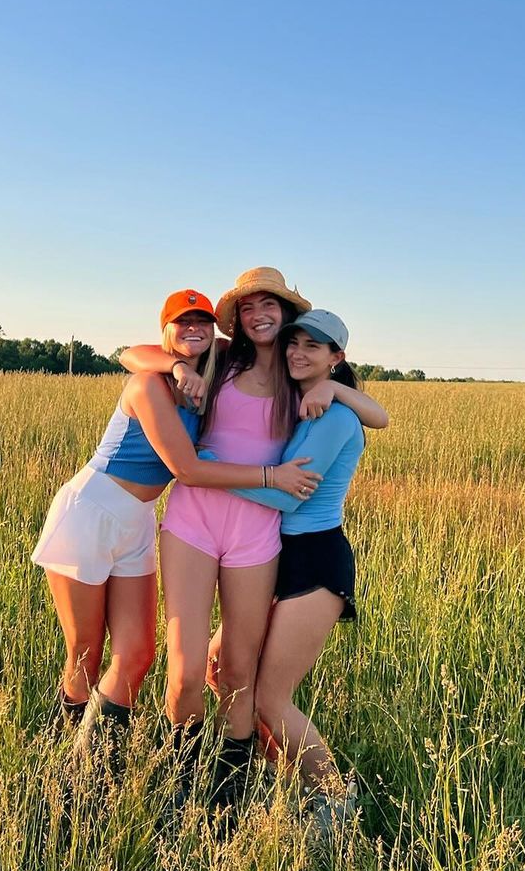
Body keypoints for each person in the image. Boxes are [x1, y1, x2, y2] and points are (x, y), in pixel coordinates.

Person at [119, 268, 386, 813]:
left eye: (270, 305)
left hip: (260, 535)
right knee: (188, 668)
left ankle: (229, 796)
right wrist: (177, 366)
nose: (259, 315)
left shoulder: (300, 380)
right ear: (237, 319)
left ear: (286, 316)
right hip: (194, 522)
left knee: (240, 673)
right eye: (247, 307)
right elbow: (134, 354)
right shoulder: (220, 359)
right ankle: (181, 785)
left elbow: (375, 417)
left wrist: (333, 386)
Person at [29, 287, 321, 762]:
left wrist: (330, 388)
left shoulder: (219, 363)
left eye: (202, 321)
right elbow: (182, 461)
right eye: (182, 322)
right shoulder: (149, 383)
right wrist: (178, 367)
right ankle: (69, 761)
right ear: (165, 331)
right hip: (91, 513)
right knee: (85, 649)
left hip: (138, 522)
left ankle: (104, 762)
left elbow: (290, 362)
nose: (193, 329)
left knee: (138, 654)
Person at [209, 309, 387, 830]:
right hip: (278, 553)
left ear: (336, 357)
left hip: (315, 560)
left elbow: (288, 496)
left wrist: (205, 469)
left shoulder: (336, 417)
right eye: (294, 342)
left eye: (314, 346)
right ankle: (276, 774)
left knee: (270, 696)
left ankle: (336, 802)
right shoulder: (305, 403)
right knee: (219, 666)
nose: (298, 352)